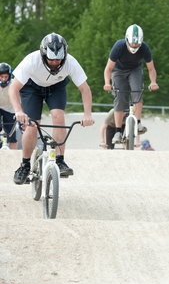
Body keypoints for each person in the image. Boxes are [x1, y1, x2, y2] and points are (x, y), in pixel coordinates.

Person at [9, 33, 94, 185]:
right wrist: (18, 111)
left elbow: (85, 89)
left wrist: (88, 114)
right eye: (51, 59)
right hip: (31, 88)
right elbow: (13, 88)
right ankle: (25, 165)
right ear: (43, 55)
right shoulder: (31, 61)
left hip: (56, 87)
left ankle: (60, 161)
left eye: (58, 59)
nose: (55, 63)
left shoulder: (70, 62)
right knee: (32, 125)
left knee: (58, 116)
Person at [103, 24, 159, 144]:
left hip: (135, 70)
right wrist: (107, 83)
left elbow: (151, 69)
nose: (134, 46)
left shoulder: (144, 48)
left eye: (137, 44)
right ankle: (118, 131)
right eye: (132, 43)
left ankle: (138, 123)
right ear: (127, 39)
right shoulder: (119, 46)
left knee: (137, 91)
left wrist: (153, 82)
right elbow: (108, 68)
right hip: (118, 71)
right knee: (120, 98)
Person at [0, 62, 17, 149]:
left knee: (12, 135)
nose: (3, 79)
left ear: (9, 76)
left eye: (5, 77)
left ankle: (13, 155)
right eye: (1, 76)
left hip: (10, 110)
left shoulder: (14, 84)